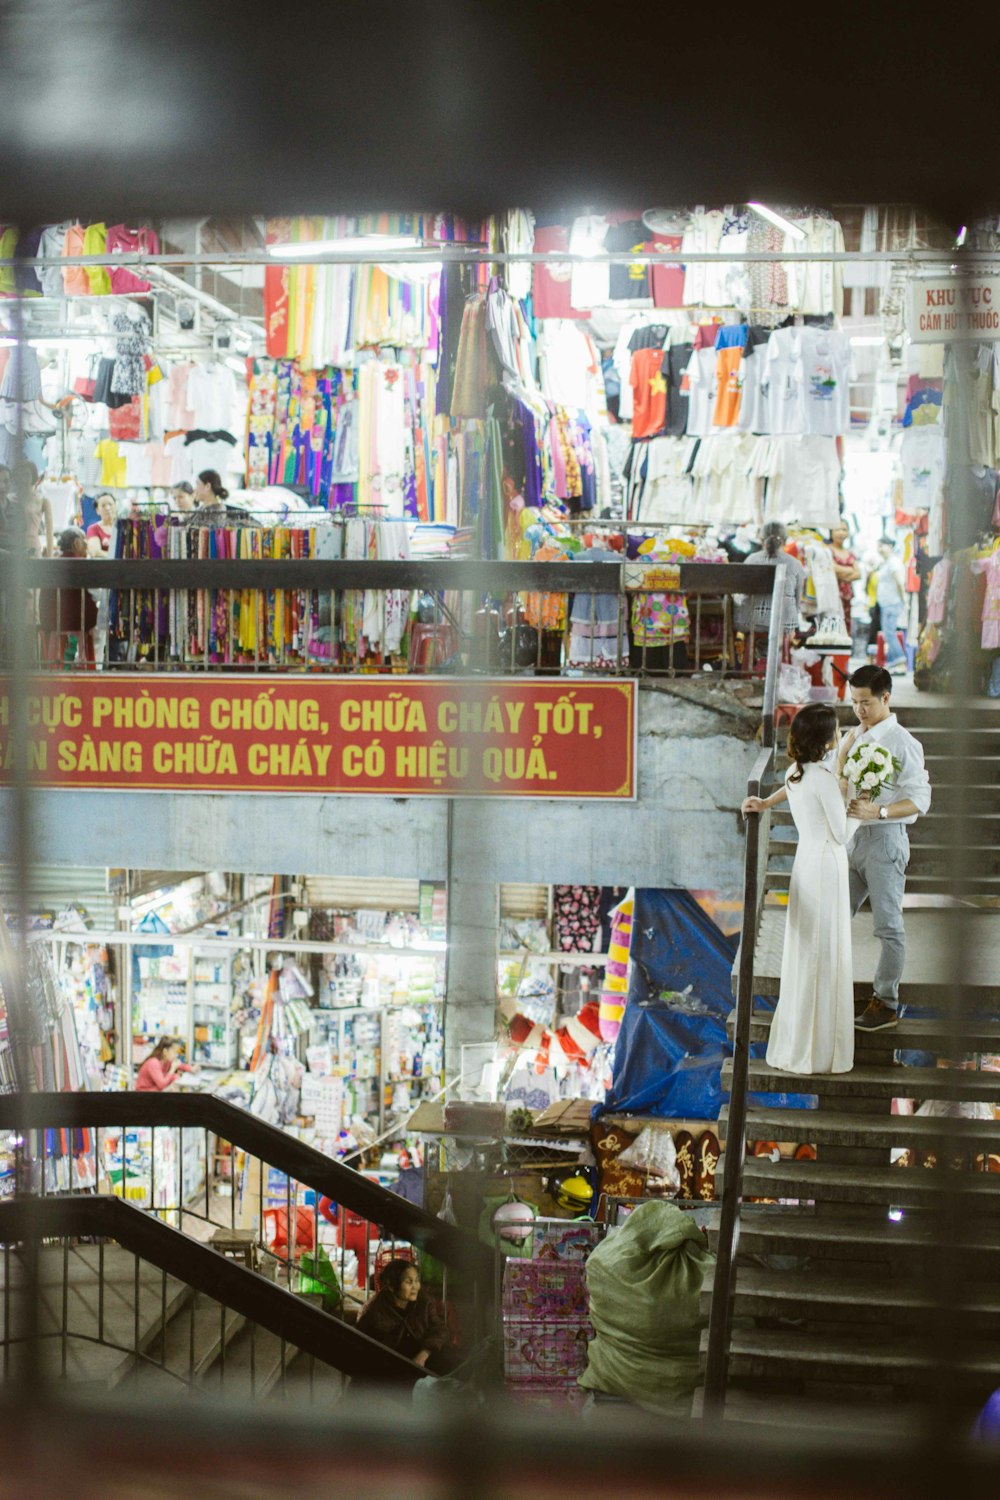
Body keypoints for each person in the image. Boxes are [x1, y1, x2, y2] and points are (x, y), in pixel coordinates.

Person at [742, 703, 853, 1074]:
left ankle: (797, 1042)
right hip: (828, 865)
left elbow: (788, 792)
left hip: (806, 863)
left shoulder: (797, 772)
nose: (839, 736)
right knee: (825, 952)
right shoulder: (823, 779)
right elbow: (840, 833)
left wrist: (764, 802)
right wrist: (855, 802)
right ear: (823, 739)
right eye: (835, 732)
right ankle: (820, 1051)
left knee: (806, 952)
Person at [838, 663, 932, 1032]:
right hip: (853, 838)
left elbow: (921, 799)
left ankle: (887, 1001)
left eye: (865, 702)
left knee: (888, 927)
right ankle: (831, 989)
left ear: (886, 698)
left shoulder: (903, 742)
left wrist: (880, 810)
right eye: (854, 703)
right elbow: (840, 779)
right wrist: (845, 749)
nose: (859, 710)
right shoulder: (855, 735)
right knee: (834, 915)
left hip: (886, 840)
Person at [356, 1258, 454, 1373]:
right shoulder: (372, 1311)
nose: (415, 1287)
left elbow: (440, 1329)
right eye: (409, 1282)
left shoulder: (424, 1302)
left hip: (422, 1359)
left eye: (417, 1280)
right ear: (391, 1286)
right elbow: (362, 1348)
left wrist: (423, 1354)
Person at [740, 521, 807, 653]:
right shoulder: (795, 564)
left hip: (752, 623)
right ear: (786, 540)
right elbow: (797, 601)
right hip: (783, 624)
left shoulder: (750, 560)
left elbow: (743, 594)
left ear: (760, 539)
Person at [38, 526, 99, 665]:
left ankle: (53, 665)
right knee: (100, 626)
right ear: (77, 543)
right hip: (81, 620)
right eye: (84, 541)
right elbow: (97, 594)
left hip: (51, 619)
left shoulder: (50, 565)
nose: (86, 545)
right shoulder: (85, 565)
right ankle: (90, 664)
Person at [872, 536, 908, 674]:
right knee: (888, 634)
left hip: (892, 602)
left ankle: (900, 660)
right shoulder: (886, 562)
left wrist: (904, 599)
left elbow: (899, 582)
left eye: (882, 546)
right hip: (886, 603)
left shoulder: (893, 562)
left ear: (890, 546)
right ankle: (894, 663)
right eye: (878, 546)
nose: (879, 549)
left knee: (889, 633)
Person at [829, 520, 860, 634]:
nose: (841, 533)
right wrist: (850, 570)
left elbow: (858, 574)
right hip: (832, 597)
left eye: (844, 530)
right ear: (831, 532)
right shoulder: (828, 550)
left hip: (847, 598)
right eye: (838, 529)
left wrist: (841, 573)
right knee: (832, 628)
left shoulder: (849, 552)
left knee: (846, 628)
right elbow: (832, 568)